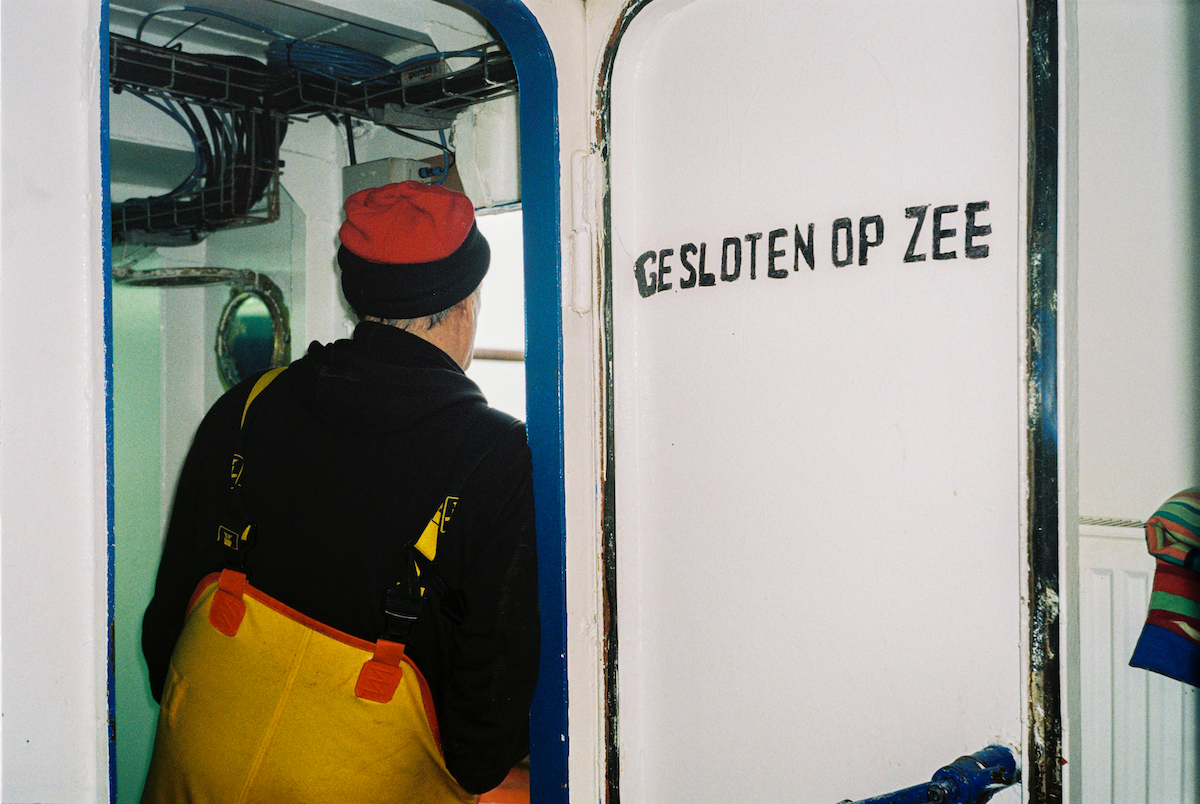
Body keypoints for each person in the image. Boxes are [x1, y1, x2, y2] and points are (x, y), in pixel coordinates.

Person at [140, 181, 539, 803]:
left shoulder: (249, 404)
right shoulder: (501, 459)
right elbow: (484, 735)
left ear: (358, 295)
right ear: (466, 303)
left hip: (195, 769)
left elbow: (163, 633)